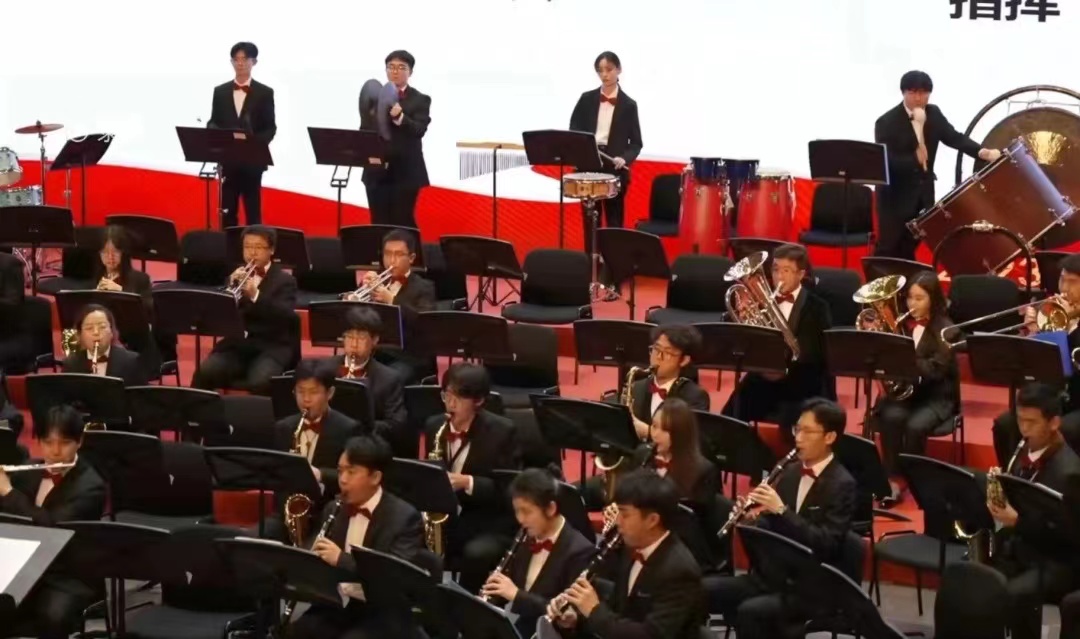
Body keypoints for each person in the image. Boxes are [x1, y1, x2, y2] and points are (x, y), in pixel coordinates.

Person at [711, 398, 856, 639]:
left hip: (811, 586)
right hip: (775, 575)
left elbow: (826, 544)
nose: (798, 438)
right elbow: (774, 529)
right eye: (797, 429)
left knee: (751, 612)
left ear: (829, 437)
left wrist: (781, 511)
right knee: (702, 589)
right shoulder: (789, 470)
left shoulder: (842, 485)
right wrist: (751, 521)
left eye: (807, 431)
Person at [290, 434, 427, 639]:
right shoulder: (333, 508)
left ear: (375, 477)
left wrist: (341, 559)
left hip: (381, 611)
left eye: (351, 472)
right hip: (338, 603)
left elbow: (393, 579)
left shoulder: (405, 518)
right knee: (297, 630)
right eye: (340, 471)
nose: (343, 479)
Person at [547, 470, 706, 639]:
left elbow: (650, 635)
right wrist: (575, 619)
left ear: (652, 520)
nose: (618, 521)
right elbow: (619, 612)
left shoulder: (679, 571)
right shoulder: (631, 547)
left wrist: (594, 611)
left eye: (625, 514)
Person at [0, 405, 106, 639]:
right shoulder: (29, 472)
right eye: (48, 443)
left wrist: (8, 492)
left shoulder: (91, 487)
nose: (55, 451)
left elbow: (52, 529)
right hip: (27, 563)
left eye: (65, 443)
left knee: (53, 617)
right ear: (38, 441)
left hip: (67, 572)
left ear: (79, 442)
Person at [874, 70, 1001, 260]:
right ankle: (880, 277)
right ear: (904, 93)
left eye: (923, 93)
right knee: (889, 248)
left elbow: (954, 137)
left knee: (909, 247)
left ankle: (906, 278)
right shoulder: (886, 122)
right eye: (913, 92)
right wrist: (914, 159)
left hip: (923, 194)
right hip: (895, 197)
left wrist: (980, 152)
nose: (918, 98)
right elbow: (885, 161)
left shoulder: (933, 113)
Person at [988, 383, 1080, 639]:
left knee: (1015, 594)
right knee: (977, 579)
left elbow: (1071, 538)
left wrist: (1017, 522)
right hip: (1026, 547)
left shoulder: (1070, 473)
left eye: (1032, 422)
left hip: (1060, 562)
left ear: (1054, 423)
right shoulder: (1023, 451)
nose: (1024, 429)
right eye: (1020, 420)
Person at [722, 243, 833, 447]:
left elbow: (815, 353)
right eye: (775, 270)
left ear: (801, 274)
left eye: (786, 271)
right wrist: (740, 315)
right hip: (764, 376)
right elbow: (736, 338)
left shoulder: (818, 307)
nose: (779, 276)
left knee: (789, 421)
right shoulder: (761, 301)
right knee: (731, 412)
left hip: (801, 378)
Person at [424, 362, 521, 593]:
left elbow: (508, 489)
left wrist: (467, 482)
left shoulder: (502, 432)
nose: (450, 403)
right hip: (449, 516)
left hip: (490, 520)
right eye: (446, 395)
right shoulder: (434, 425)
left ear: (478, 401)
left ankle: (465, 605)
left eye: (458, 397)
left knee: (475, 554)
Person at [871, 271, 957, 505]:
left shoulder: (947, 330)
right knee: (890, 416)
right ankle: (892, 478)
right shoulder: (903, 325)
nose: (912, 303)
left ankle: (917, 477)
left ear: (933, 299)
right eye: (910, 297)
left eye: (919, 298)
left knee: (915, 426)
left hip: (936, 396)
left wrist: (906, 356)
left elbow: (936, 372)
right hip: (908, 394)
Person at [480, 468, 595, 638]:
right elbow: (509, 587)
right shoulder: (526, 535)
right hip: (526, 626)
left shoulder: (580, 551)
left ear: (550, 508)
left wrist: (517, 595)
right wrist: (490, 598)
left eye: (526, 511)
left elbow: (565, 613)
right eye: (517, 511)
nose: (520, 519)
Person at [993, 253, 1080, 465]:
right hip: (1054, 398)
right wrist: (1033, 332)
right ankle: (1013, 477)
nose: (1064, 288)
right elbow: (1038, 367)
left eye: (1072, 282)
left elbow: (1071, 367)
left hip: (1077, 401)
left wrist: (1067, 331)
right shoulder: (1052, 313)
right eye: (1062, 280)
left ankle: (1058, 480)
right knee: (1005, 424)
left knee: (1064, 429)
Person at [569, 51, 643, 297]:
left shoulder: (629, 105)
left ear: (619, 70)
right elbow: (574, 130)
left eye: (609, 69)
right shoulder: (586, 99)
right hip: (589, 166)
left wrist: (625, 158)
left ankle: (613, 281)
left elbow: (636, 143)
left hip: (614, 170)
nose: (604, 74)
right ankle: (588, 279)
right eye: (600, 70)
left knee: (613, 226)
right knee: (590, 224)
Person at [191, 225, 297, 394]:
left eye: (258, 247)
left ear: (271, 250)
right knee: (206, 371)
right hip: (237, 346)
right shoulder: (236, 275)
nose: (252, 253)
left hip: (270, 346)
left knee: (261, 381)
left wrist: (256, 295)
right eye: (247, 247)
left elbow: (285, 317)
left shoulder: (285, 281)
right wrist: (228, 289)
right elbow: (220, 314)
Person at [344, 229, 435, 384]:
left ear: (411, 258)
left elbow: (423, 322)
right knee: (337, 373)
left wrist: (392, 300)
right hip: (375, 352)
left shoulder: (424, 287)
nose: (392, 261)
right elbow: (356, 316)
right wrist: (359, 292)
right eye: (387, 254)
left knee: (386, 380)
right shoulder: (375, 282)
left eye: (398, 255)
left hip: (408, 357)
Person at [207, 41, 277, 227]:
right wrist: (214, 133)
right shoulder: (220, 92)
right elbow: (214, 120)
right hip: (228, 161)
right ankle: (228, 245)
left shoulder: (264, 92)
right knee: (227, 212)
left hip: (252, 162)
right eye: (236, 59)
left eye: (245, 59)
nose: (240, 63)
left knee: (253, 213)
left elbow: (270, 127)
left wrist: (254, 145)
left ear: (254, 62)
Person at [273, 359, 361, 501]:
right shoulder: (283, 427)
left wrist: (321, 474)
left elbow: (355, 475)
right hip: (288, 505)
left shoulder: (348, 429)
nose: (306, 399)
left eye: (313, 392)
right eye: (300, 391)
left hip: (328, 505)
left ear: (330, 393)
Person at [361, 50, 431, 230]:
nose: (395, 71)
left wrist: (401, 117)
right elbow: (365, 130)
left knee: (403, 223)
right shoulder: (374, 95)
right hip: (376, 173)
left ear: (410, 72)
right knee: (378, 223)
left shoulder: (421, 100)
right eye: (391, 67)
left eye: (401, 67)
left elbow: (419, 130)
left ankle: (410, 250)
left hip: (406, 173)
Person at [90, 224, 169, 375]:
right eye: (105, 252)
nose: (110, 257)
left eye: (115, 252)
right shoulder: (94, 279)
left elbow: (149, 313)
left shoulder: (140, 279)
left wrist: (121, 292)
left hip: (134, 344)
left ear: (124, 253)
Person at [328, 307, 407, 448]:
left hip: (367, 446)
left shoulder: (389, 378)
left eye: (361, 338)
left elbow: (396, 424)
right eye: (349, 336)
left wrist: (364, 426)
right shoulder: (326, 368)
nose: (354, 344)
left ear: (375, 340)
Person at [61, 303, 148, 386]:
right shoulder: (71, 364)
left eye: (102, 327)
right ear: (80, 334)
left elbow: (140, 395)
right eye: (89, 328)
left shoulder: (131, 361)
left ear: (112, 332)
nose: (96, 332)